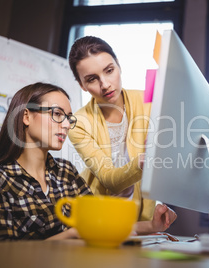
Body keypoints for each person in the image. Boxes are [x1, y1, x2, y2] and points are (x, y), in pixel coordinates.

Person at [0, 82, 177, 242]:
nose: (67, 125)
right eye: (57, 114)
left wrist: (152, 225)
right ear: (26, 117)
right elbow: (0, 255)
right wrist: (70, 236)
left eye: (69, 117)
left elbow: (103, 224)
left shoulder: (65, 172)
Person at [68, 36, 155, 221]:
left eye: (109, 70)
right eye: (92, 79)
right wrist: (143, 161)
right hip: (99, 217)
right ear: (82, 85)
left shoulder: (148, 103)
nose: (105, 84)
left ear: (119, 66)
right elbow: (109, 179)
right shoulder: (78, 123)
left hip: (143, 220)